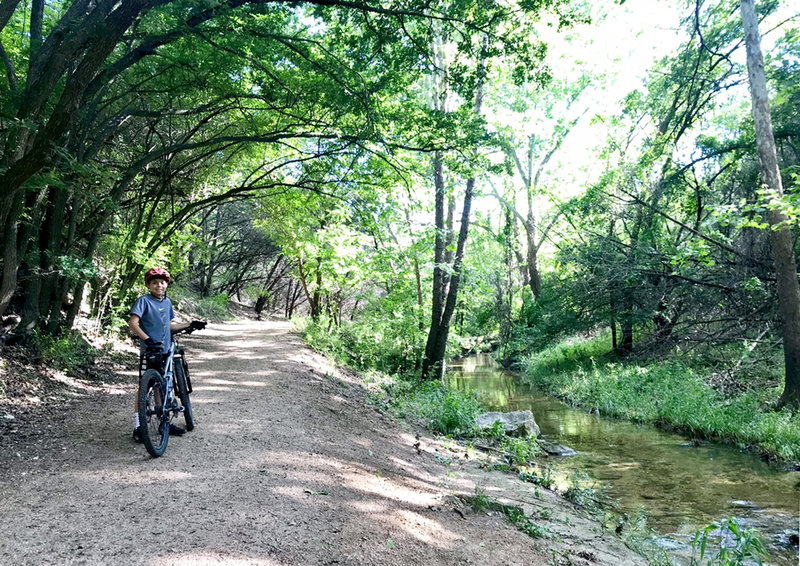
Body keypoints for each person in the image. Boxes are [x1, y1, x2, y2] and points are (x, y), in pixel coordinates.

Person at [129, 267, 205, 442]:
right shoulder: (144, 301)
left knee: (160, 386)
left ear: (167, 285)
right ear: (148, 285)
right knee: (144, 387)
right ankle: (139, 426)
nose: (159, 286)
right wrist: (147, 339)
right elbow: (133, 323)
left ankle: (164, 422)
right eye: (154, 283)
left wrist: (189, 324)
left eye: (162, 282)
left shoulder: (167, 303)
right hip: (150, 350)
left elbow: (170, 326)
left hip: (165, 349)